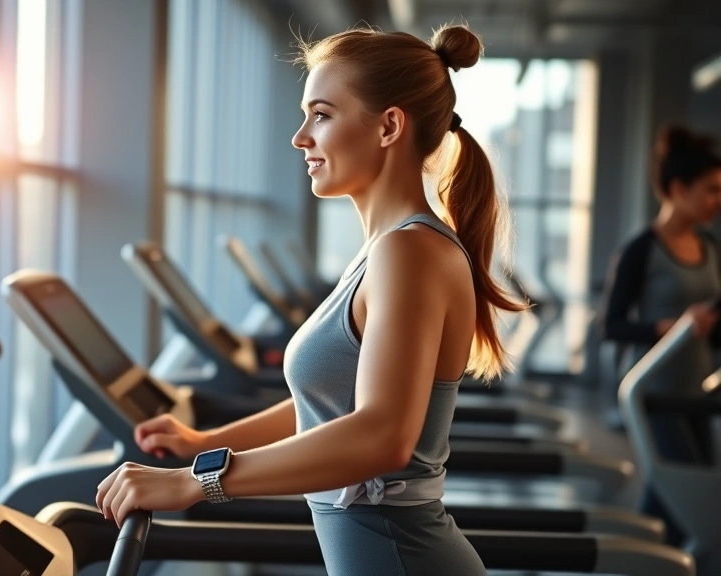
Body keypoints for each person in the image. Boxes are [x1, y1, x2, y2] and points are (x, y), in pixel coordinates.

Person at [95, 24, 524, 575]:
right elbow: (326, 404)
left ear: (390, 126)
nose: (301, 136)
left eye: (321, 115)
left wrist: (195, 482)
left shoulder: (411, 253)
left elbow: (381, 437)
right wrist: (204, 441)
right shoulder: (386, 250)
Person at [599, 123, 721, 544]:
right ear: (677, 188)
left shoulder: (713, 248)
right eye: (710, 190)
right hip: (654, 392)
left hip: (697, 393)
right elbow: (610, 326)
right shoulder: (641, 250)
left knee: (680, 493)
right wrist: (663, 328)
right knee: (692, 495)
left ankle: (641, 558)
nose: (717, 201)